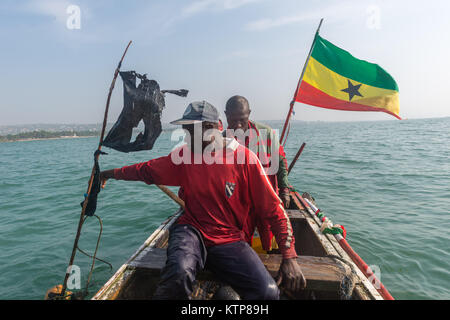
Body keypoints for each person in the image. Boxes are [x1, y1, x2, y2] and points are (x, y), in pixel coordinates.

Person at [100, 101, 306, 300]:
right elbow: (147, 170)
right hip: (191, 231)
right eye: (187, 130)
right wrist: (109, 174)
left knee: (268, 292)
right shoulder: (186, 155)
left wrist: (289, 256)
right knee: (178, 274)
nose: (188, 136)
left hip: (230, 238)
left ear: (215, 128)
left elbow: (273, 209)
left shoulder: (245, 159)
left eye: (194, 130)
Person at [224, 95, 292, 253]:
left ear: (249, 113)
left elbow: (280, 163)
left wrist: (285, 190)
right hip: (239, 203)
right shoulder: (221, 140)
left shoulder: (267, 134)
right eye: (233, 121)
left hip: (265, 197)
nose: (238, 125)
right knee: (241, 241)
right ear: (226, 115)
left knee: (268, 238)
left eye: (243, 119)